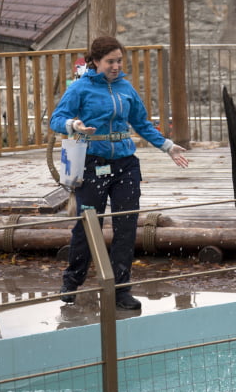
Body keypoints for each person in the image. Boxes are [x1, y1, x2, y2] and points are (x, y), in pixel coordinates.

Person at [50, 36, 189, 311]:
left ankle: (121, 289)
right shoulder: (80, 89)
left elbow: (141, 123)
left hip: (125, 163)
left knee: (126, 226)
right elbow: (56, 119)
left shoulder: (125, 88)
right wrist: (73, 124)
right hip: (93, 162)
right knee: (89, 224)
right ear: (95, 62)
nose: (115, 66)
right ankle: (72, 281)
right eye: (110, 62)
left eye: (118, 61)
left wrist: (168, 146)